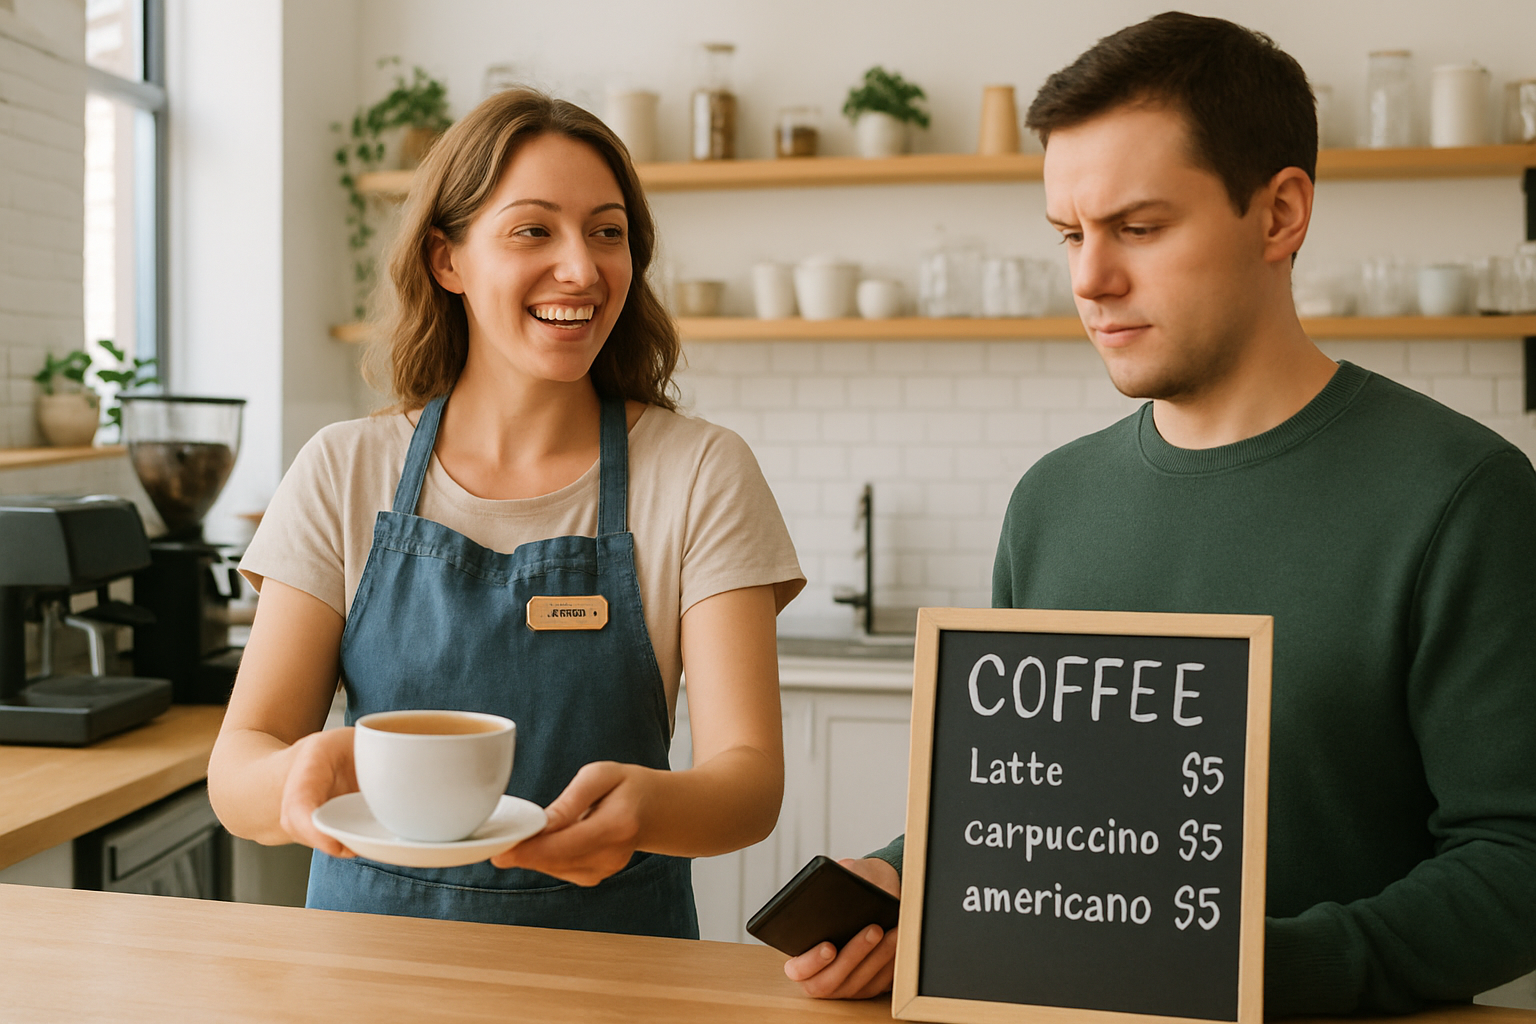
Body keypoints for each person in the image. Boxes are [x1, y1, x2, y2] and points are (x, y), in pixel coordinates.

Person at [786, 12, 1536, 1016]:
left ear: (1279, 216)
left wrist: (1264, 969)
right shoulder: (1050, 503)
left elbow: (1517, 858)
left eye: (1139, 228)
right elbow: (1027, 810)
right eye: (1069, 234)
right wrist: (898, 881)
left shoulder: (1463, 497)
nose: (1090, 279)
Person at [208, 89, 805, 939]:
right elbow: (240, 764)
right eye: (534, 230)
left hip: (615, 975)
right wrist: (297, 778)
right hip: (370, 968)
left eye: (608, 231)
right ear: (447, 260)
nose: (582, 268)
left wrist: (651, 809)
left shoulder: (701, 471)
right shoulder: (345, 469)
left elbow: (748, 785)